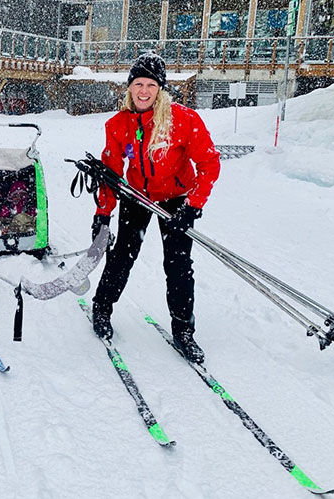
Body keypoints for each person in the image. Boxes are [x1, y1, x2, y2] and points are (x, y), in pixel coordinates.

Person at [91, 53, 221, 363]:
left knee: (178, 265)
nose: (144, 91)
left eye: (151, 84)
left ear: (160, 89)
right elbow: (111, 173)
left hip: (177, 199)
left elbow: (209, 163)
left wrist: (193, 206)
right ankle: (102, 307)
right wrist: (103, 212)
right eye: (138, 84)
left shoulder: (184, 120)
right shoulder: (118, 124)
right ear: (130, 87)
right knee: (123, 254)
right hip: (137, 196)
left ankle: (183, 331)